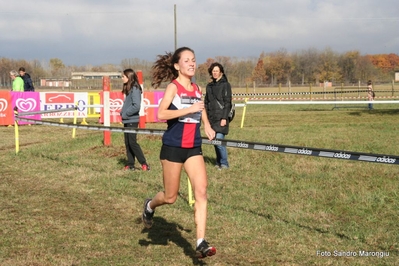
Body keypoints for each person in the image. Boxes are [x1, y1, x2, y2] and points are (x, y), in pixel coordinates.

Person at [142, 47, 217, 259]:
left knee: (201, 191)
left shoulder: (197, 88)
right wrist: (187, 109)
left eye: (194, 60)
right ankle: (149, 205)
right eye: (187, 61)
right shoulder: (173, 88)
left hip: (193, 147)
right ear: (177, 66)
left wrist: (208, 126)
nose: (192, 63)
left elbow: (200, 108)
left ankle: (201, 242)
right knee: (170, 197)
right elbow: (161, 113)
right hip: (173, 148)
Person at [120, 68, 150, 171]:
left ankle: (144, 163)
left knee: (132, 142)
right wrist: (122, 112)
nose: (122, 78)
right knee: (127, 142)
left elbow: (136, 106)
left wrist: (125, 114)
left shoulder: (135, 89)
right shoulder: (129, 89)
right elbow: (128, 104)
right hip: (127, 120)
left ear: (129, 77)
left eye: (123, 76)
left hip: (132, 119)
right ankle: (131, 164)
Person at [205, 62, 232, 169]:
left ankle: (224, 163)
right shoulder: (209, 86)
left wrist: (224, 118)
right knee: (215, 142)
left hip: (221, 117)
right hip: (211, 118)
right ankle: (218, 162)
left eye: (217, 71)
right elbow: (206, 101)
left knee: (220, 141)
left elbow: (227, 103)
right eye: (213, 71)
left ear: (221, 72)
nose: (215, 73)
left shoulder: (226, 85)